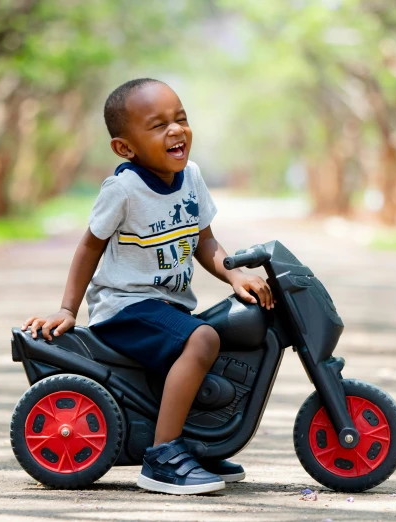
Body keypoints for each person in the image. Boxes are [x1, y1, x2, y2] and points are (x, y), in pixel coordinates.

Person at [22, 78, 274, 495]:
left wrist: (234, 273)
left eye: (181, 119)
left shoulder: (191, 177)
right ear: (125, 148)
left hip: (166, 307)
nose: (176, 130)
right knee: (203, 339)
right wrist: (68, 309)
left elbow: (204, 240)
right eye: (158, 126)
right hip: (125, 308)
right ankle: (163, 457)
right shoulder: (123, 190)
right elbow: (88, 248)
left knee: (220, 335)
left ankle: (198, 443)